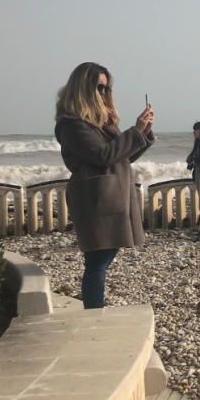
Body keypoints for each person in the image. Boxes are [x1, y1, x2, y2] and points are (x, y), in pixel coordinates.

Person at [54, 62, 155, 308]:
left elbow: (123, 156)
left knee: (102, 259)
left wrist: (143, 134)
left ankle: (95, 308)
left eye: (105, 88)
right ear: (82, 88)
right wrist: (135, 131)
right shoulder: (72, 124)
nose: (102, 94)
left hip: (110, 196)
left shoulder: (100, 123)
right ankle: (93, 312)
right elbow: (103, 156)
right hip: (95, 199)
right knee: (98, 260)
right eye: (98, 88)